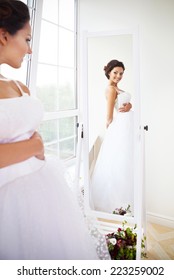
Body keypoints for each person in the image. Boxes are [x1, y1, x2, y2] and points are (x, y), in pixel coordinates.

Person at [0, 0, 100, 260]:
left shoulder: (17, 85)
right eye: (27, 38)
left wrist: (35, 145)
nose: (30, 49)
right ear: (3, 35)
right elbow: (31, 142)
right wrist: (35, 146)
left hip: (41, 191)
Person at [90, 59, 134, 214]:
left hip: (126, 127)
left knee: (124, 163)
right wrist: (112, 131)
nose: (118, 76)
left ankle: (122, 202)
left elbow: (122, 105)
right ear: (108, 72)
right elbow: (109, 116)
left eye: (121, 73)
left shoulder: (117, 88)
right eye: (115, 72)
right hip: (119, 128)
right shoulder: (110, 89)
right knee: (117, 162)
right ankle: (114, 203)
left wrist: (129, 106)